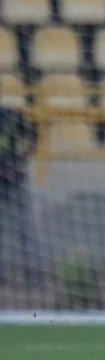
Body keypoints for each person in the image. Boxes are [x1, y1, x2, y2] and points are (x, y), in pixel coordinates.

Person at [0, 105, 40, 286]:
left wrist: (22, 158)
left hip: (15, 179)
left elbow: (34, 132)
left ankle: (34, 274)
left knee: (25, 228)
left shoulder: (11, 115)